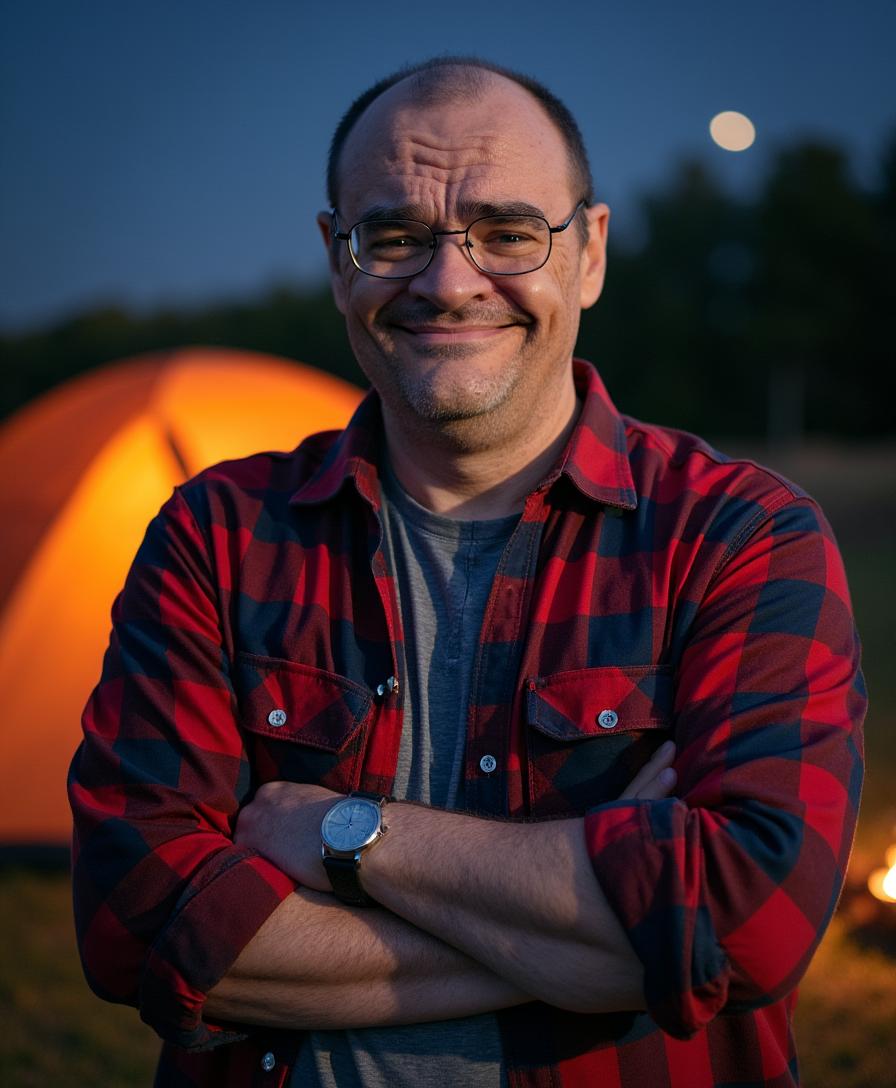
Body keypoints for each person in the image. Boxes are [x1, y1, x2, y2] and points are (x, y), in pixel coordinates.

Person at [69, 57, 866, 1088]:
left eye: (508, 232)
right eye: (395, 236)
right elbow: (133, 921)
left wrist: (345, 836)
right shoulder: (217, 534)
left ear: (588, 253)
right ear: (337, 259)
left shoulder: (739, 535)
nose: (448, 283)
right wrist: (606, 940)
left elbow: (746, 923)